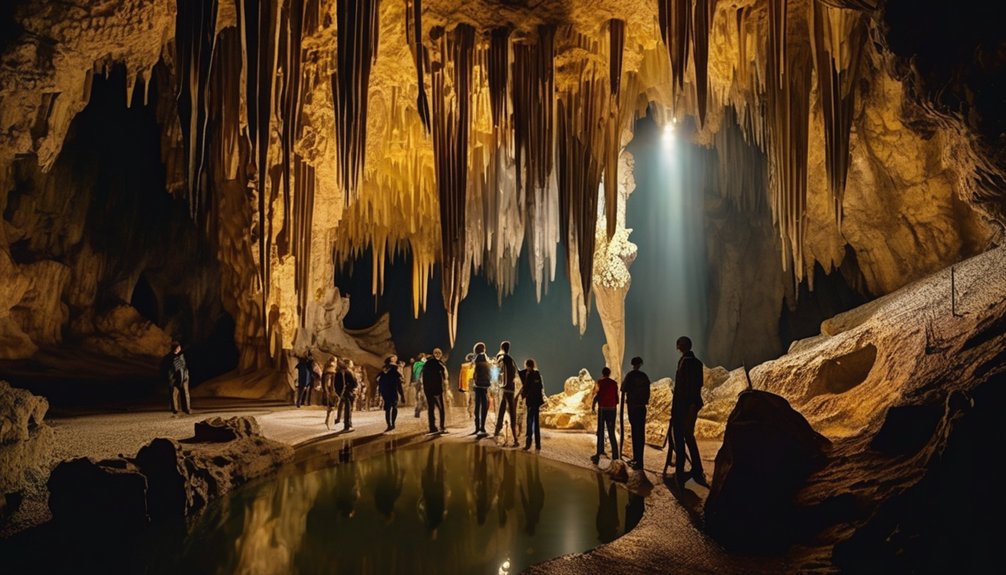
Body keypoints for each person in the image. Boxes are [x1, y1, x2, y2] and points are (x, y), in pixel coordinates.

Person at [672, 336, 707, 486]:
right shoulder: (698, 363)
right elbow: (699, 384)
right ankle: (697, 467)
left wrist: (678, 408)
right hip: (693, 403)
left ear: (681, 346)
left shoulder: (684, 363)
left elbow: (681, 387)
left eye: (678, 344)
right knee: (689, 436)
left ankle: (681, 470)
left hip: (684, 405)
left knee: (680, 436)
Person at [621, 356, 651, 471]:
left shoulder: (630, 375)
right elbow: (647, 392)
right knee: (641, 434)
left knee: (635, 433)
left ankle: (637, 460)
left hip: (633, 408)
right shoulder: (644, 377)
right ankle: (639, 460)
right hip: (642, 408)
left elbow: (623, 389)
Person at [590, 367, 619, 465]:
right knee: (611, 431)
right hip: (612, 409)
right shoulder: (614, 383)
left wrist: (593, 405)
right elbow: (617, 398)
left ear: (602, 373)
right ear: (609, 373)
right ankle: (615, 455)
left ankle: (599, 453)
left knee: (601, 431)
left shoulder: (600, 382)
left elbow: (597, 395)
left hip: (603, 409)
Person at [493, 341, 520, 446]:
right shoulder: (512, 360)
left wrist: (496, 382)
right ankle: (515, 438)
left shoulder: (502, 358)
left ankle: (497, 431)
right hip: (511, 389)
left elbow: (496, 371)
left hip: (504, 389)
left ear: (502, 347)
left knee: (501, 410)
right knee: (511, 412)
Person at [518, 358, 545, 451]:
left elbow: (526, 387)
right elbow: (540, 387)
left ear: (527, 365)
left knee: (529, 423)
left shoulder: (529, 375)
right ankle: (538, 445)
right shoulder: (537, 374)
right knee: (536, 424)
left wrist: (521, 396)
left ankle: (528, 444)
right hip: (537, 402)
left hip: (531, 402)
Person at [421, 347, 449, 433]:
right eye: (436, 353)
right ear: (433, 354)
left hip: (428, 390)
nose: (437, 354)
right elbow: (444, 376)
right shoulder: (438, 364)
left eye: (439, 353)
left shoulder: (427, 364)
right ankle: (441, 426)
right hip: (436, 390)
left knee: (431, 408)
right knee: (441, 409)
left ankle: (432, 427)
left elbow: (423, 377)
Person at [378, 355, 406, 431]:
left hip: (386, 392)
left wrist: (380, 392)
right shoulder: (395, 371)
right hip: (393, 391)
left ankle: (389, 425)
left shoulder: (383, 372)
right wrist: (402, 395)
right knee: (394, 407)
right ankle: (392, 423)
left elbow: (379, 382)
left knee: (388, 409)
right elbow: (399, 384)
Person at [162, 340, 191, 415]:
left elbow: (186, 366)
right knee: (174, 394)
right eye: (177, 347)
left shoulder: (183, 356)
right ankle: (175, 409)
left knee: (185, 393)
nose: (178, 349)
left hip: (184, 377)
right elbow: (167, 370)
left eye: (179, 347)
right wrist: (170, 379)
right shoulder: (168, 358)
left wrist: (186, 375)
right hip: (174, 379)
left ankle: (186, 409)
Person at [471, 342, 492, 436]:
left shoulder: (475, 359)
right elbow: (489, 372)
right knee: (484, 406)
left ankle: (477, 428)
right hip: (484, 386)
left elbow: (474, 374)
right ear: (483, 349)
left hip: (477, 385)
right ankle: (482, 428)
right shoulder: (484, 358)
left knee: (477, 407)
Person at [336, 359, 359, 432]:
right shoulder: (349, 372)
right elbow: (354, 383)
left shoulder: (339, 372)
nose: (352, 364)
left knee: (345, 408)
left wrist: (339, 393)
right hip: (348, 392)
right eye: (351, 363)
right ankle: (347, 425)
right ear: (347, 364)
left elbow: (336, 384)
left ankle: (347, 423)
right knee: (348, 409)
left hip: (342, 393)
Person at [322, 356, 340, 428]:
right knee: (331, 407)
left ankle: (328, 421)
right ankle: (329, 422)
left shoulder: (326, 369)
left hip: (329, 391)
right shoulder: (331, 370)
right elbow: (328, 383)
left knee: (330, 407)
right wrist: (328, 392)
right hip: (331, 391)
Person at [458, 352, 474, 419]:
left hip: (471, 384)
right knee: (470, 400)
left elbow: (461, 377)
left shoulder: (466, 366)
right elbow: (461, 377)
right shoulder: (464, 366)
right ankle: (470, 412)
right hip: (468, 384)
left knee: (471, 399)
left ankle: (471, 412)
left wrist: (460, 386)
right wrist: (461, 386)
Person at [412, 352, 428, 418]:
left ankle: (418, 409)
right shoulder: (423, 364)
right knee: (422, 396)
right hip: (421, 381)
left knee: (419, 396)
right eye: (424, 357)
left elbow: (414, 372)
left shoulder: (415, 364)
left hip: (416, 381)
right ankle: (418, 410)